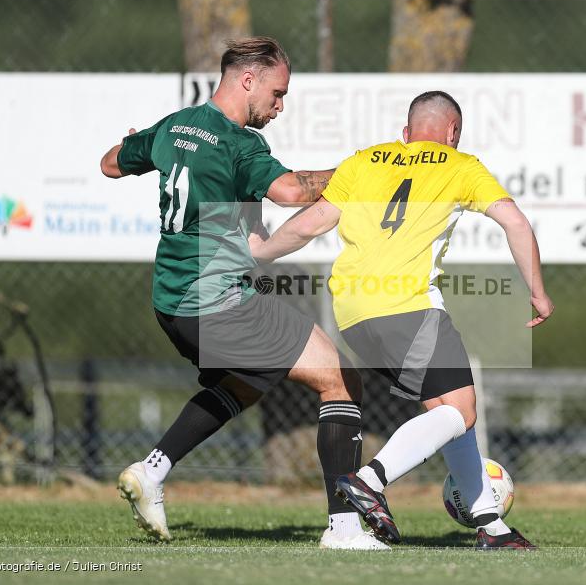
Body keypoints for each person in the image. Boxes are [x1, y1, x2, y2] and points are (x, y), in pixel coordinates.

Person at [100, 37, 386, 550]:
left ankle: (152, 472)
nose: (280, 106)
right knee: (342, 380)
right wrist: (362, 170)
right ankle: (344, 528)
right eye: (277, 94)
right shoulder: (240, 144)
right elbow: (294, 191)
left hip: (172, 303)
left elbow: (111, 163)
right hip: (216, 302)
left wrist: (137, 144)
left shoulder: (173, 127)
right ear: (247, 81)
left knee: (248, 383)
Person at [250, 90, 554, 550]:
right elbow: (514, 222)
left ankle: (491, 525)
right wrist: (537, 290)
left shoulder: (364, 160)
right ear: (453, 132)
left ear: (407, 134)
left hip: (352, 312)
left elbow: (312, 223)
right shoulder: (461, 165)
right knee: (462, 409)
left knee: (449, 412)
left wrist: (261, 252)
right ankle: (370, 479)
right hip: (407, 305)